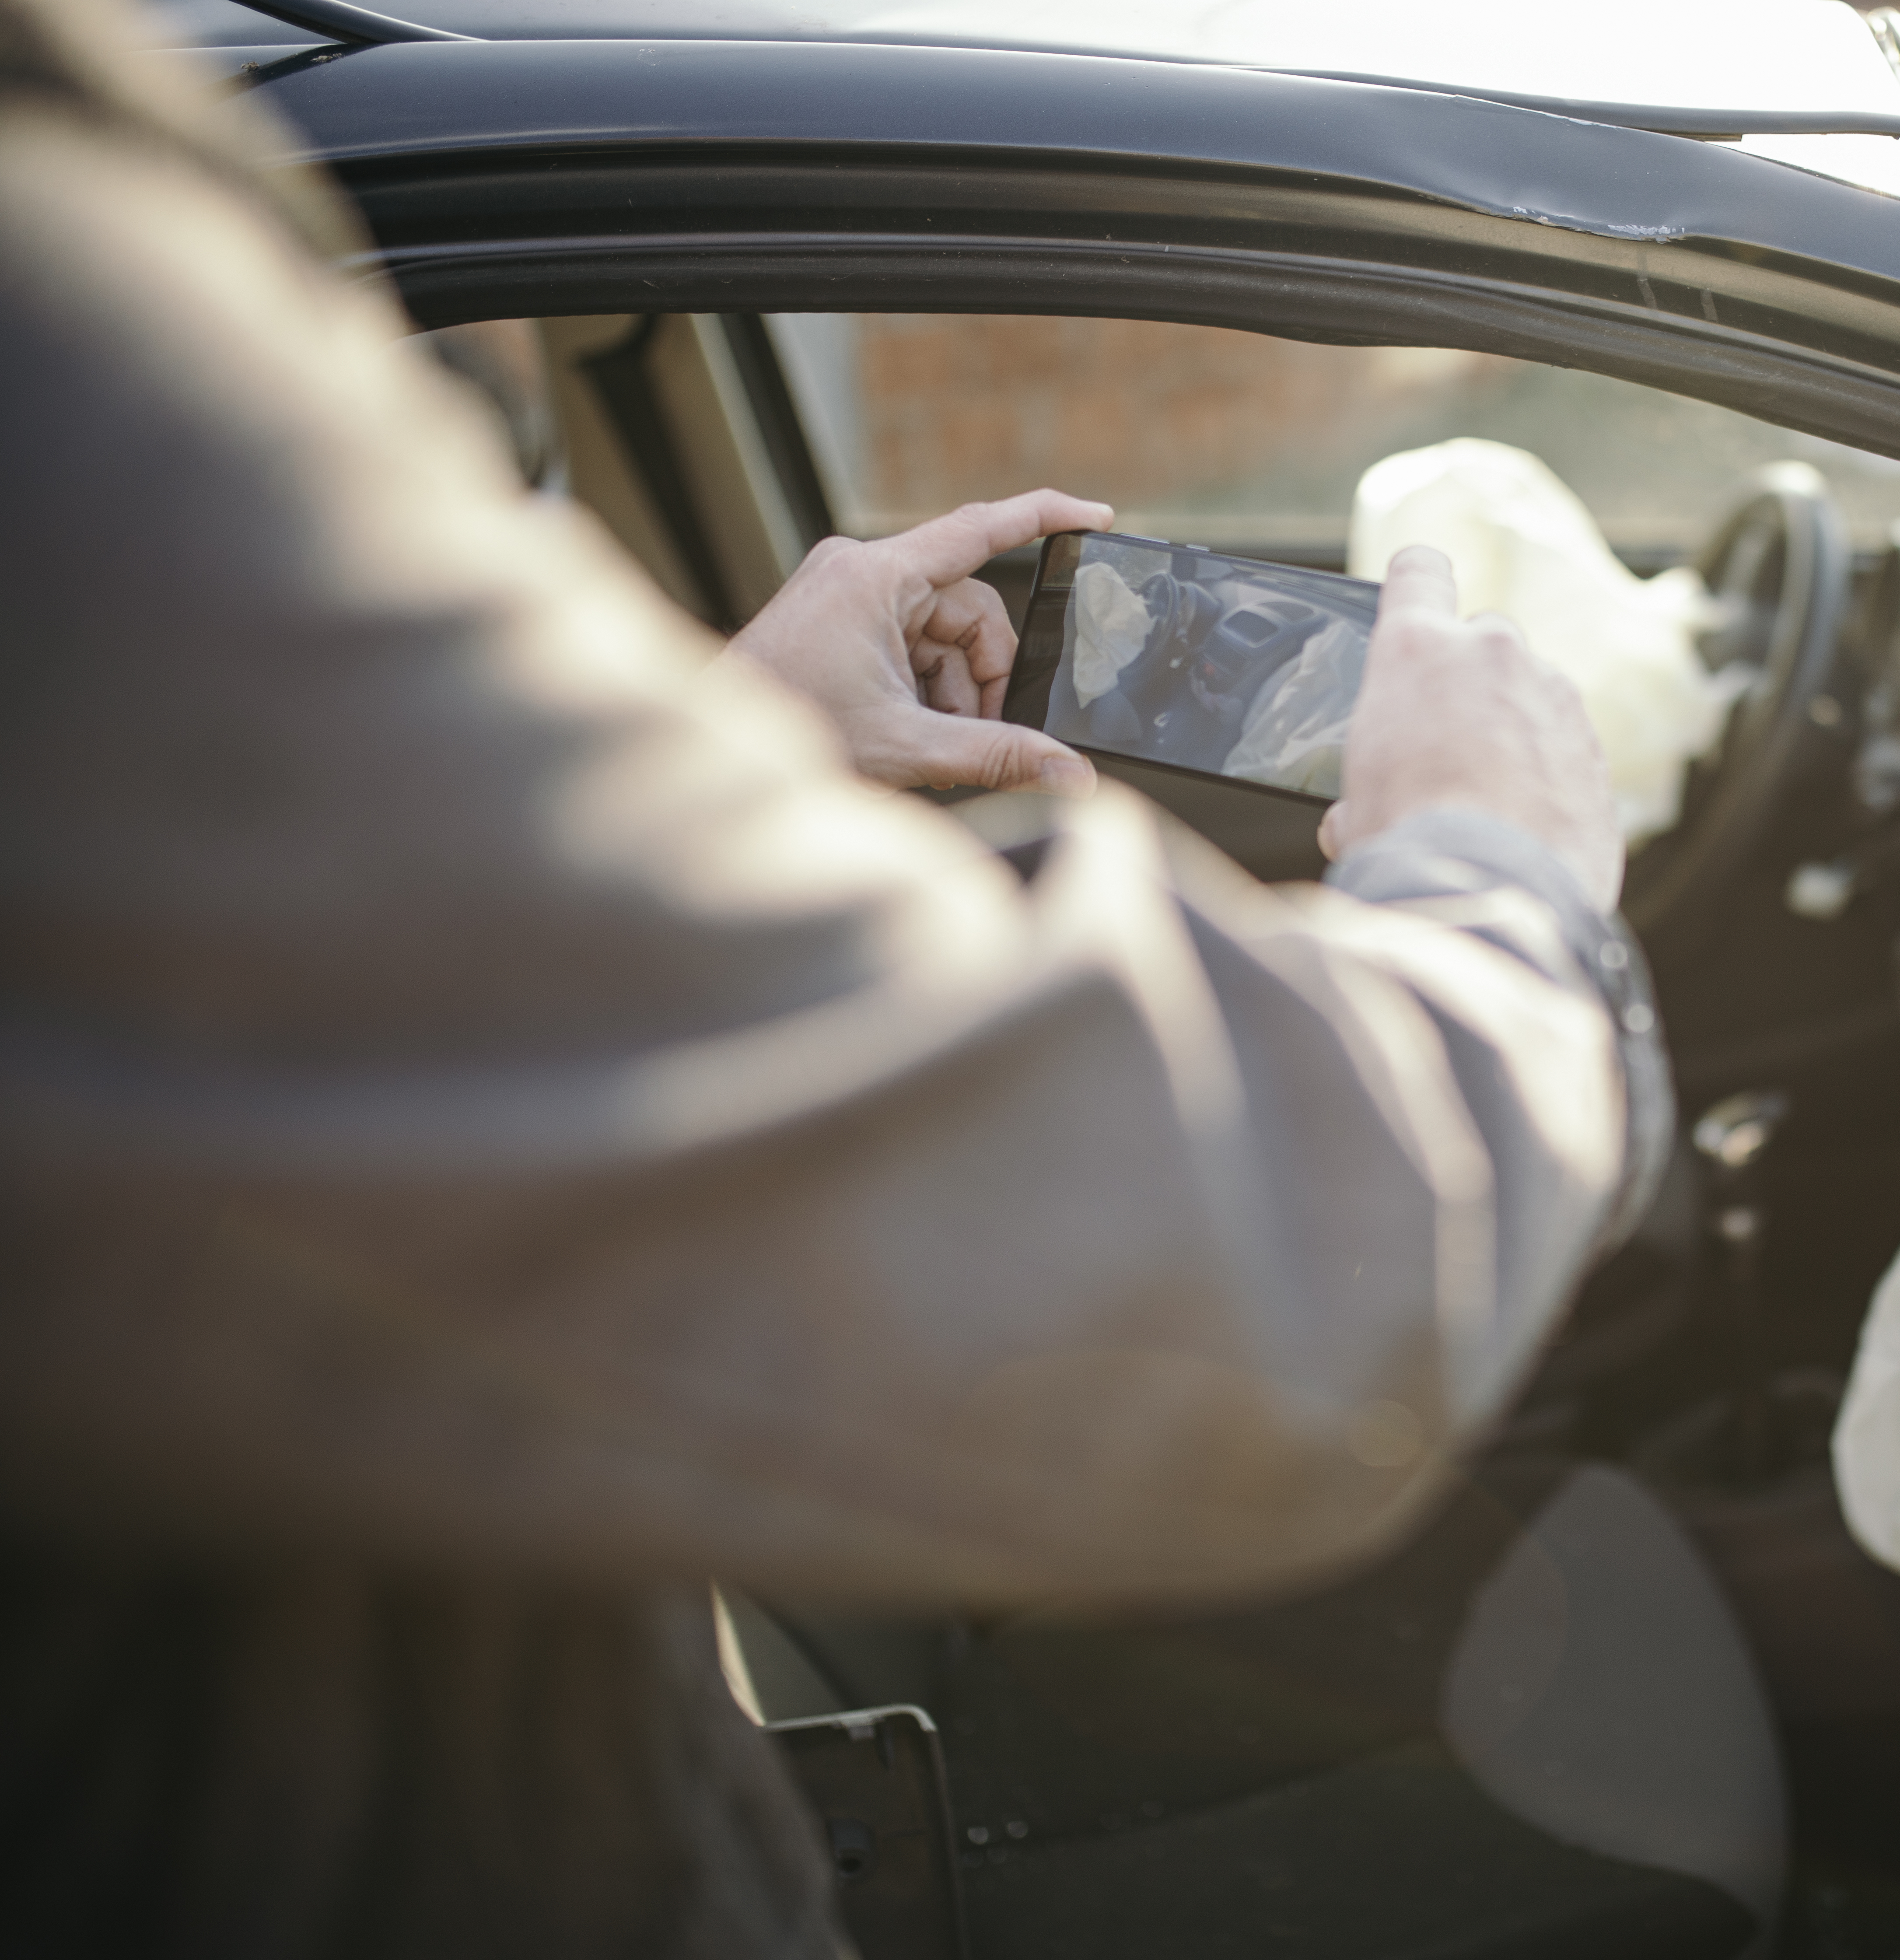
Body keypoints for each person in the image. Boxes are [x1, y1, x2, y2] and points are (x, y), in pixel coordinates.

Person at [0, 0, 1668, 1950]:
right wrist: (1504, 874)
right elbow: (1279, 1278)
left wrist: (728, 743)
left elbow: (316, 973)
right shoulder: (56, 358)